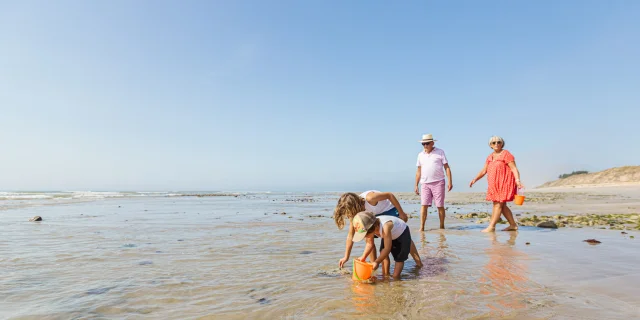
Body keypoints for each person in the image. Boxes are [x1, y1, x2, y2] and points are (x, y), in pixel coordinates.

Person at [333, 191, 409, 268]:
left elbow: (390, 195)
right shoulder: (354, 214)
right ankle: (373, 265)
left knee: (400, 236)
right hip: (373, 216)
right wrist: (346, 257)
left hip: (388, 211)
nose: (351, 216)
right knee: (368, 238)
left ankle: (417, 260)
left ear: (356, 207)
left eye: (351, 214)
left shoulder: (371, 198)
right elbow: (350, 235)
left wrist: (401, 213)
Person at [469, 136, 524, 232]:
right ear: (490, 145)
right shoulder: (490, 157)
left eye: (499, 142)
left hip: (505, 183)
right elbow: (484, 170)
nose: (496, 144)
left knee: (498, 204)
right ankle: (513, 225)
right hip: (494, 184)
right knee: (501, 205)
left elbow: (514, 168)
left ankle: (491, 227)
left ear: (502, 143)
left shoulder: (506, 154)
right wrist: (475, 179)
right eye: (493, 143)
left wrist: (518, 180)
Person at [352, 211, 423, 279]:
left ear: (373, 228)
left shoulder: (385, 227)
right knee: (382, 253)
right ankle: (386, 275)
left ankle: (396, 277)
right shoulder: (372, 226)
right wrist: (363, 257)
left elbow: (387, 248)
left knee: (399, 257)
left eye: (366, 235)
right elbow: (369, 244)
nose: (365, 237)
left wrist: (376, 262)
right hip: (389, 235)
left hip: (401, 232)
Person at [414, 134, 453, 230]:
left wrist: (450, 181)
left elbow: (446, 167)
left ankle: (441, 226)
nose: (425, 146)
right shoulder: (420, 155)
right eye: (423, 144)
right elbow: (418, 170)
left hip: (438, 182)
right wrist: (416, 184)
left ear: (432, 143)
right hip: (425, 183)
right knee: (424, 205)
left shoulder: (440, 152)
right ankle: (422, 227)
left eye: (427, 143)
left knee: (440, 205)